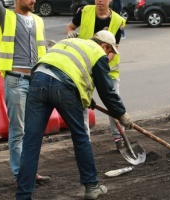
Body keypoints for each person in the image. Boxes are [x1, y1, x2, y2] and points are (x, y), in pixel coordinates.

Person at [16, 30, 134, 199]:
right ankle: (92, 186)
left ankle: (23, 196)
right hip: (62, 87)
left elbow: (72, 70)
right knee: (80, 137)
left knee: (30, 142)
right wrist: (122, 114)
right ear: (104, 46)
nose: (109, 56)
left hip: (38, 81)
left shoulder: (72, 43)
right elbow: (107, 91)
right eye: (110, 52)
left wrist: (85, 98)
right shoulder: (98, 52)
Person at [0, 0, 51, 184]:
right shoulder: (6, 16)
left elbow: (44, 49)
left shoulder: (38, 20)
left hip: (36, 80)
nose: (33, 0)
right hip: (15, 80)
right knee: (18, 130)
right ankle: (21, 175)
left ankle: (30, 172)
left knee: (32, 131)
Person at [66, 0, 127, 150]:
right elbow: (70, 27)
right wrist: (70, 34)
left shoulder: (118, 20)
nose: (100, 0)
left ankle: (119, 137)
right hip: (84, 67)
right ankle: (85, 142)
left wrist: (102, 62)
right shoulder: (85, 11)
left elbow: (114, 48)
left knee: (113, 102)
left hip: (108, 68)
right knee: (83, 104)